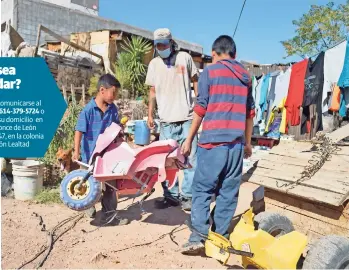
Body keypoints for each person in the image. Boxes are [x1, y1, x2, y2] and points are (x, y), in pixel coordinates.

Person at [180, 35, 255, 253]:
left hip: (213, 143)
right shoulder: (246, 77)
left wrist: (189, 138)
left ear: (214, 54)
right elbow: (250, 114)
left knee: (202, 190)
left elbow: (201, 108)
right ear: (234, 54)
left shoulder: (210, 73)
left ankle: (198, 238)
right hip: (236, 146)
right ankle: (219, 239)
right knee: (228, 192)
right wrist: (248, 143)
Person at [145, 28, 199, 211]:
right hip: (166, 120)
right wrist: (150, 113)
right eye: (158, 45)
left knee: (189, 159)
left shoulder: (185, 58)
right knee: (166, 161)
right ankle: (171, 196)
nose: (161, 47)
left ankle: (188, 196)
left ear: (171, 43)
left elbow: (195, 80)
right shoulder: (153, 64)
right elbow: (152, 91)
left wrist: (199, 103)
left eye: (164, 44)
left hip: (187, 118)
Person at [73, 74, 129, 226]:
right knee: (87, 184)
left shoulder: (112, 109)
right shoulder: (88, 110)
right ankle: (87, 206)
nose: (115, 96)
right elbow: (79, 131)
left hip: (107, 156)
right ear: (102, 90)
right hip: (89, 156)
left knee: (111, 186)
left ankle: (109, 215)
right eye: (114, 92)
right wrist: (76, 151)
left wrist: (120, 132)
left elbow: (116, 127)